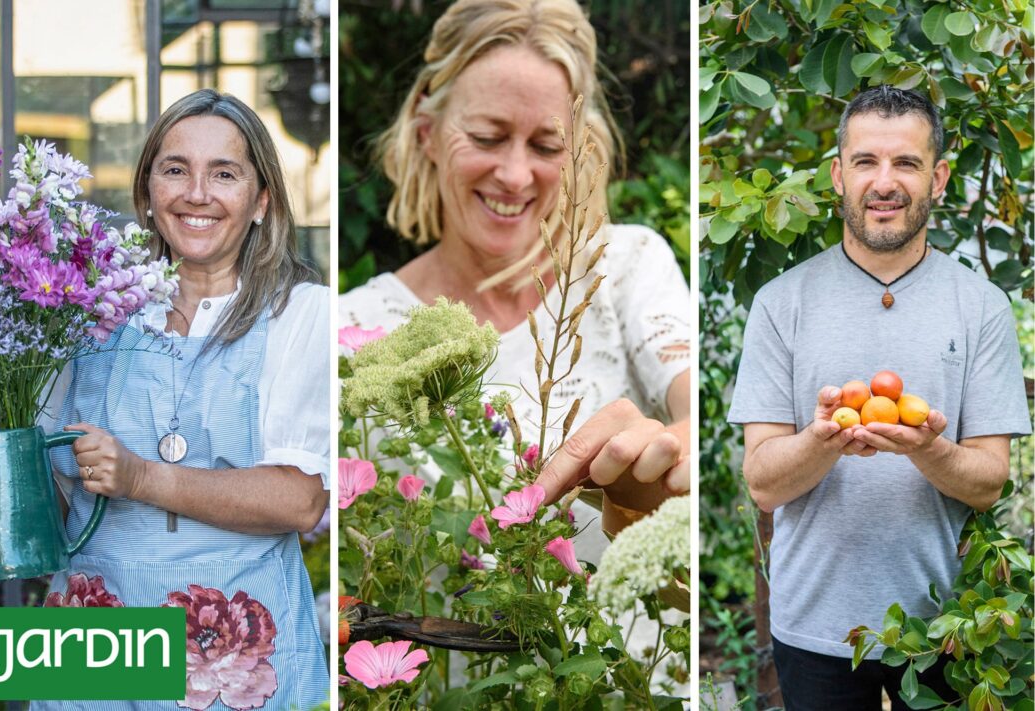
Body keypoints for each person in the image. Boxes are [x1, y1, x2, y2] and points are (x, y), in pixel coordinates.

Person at [339, 0, 691, 543]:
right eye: (486, 137)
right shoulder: (350, 332)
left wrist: (683, 440)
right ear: (427, 131)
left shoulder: (625, 266)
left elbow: (694, 405)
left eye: (547, 145)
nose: (514, 174)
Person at [728, 86, 1031, 709]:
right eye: (866, 161)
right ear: (839, 174)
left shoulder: (981, 307)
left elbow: (987, 483)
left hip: (947, 629)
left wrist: (926, 449)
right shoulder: (781, 303)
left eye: (907, 163)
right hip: (814, 626)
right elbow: (762, 484)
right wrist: (821, 441)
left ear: (938, 178)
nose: (884, 182)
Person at [39, 89, 330, 710]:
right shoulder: (85, 309)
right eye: (175, 170)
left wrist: (141, 476)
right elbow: (45, 478)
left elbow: (299, 499)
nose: (197, 193)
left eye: (224, 173)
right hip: (96, 628)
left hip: (230, 642)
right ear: (146, 194)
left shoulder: (301, 312)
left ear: (261, 201)